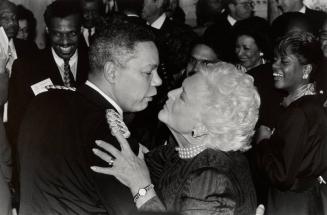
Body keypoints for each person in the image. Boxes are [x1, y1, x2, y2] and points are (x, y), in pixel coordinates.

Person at [17, 16, 162, 215]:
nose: (158, 81)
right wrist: (143, 185)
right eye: (148, 72)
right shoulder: (115, 142)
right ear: (111, 72)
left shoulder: (44, 101)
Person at [91, 62, 260, 214]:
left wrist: (141, 187)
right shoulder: (183, 153)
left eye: (183, 96)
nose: (171, 93)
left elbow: (140, 178)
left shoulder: (211, 178)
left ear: (200, 128)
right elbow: (144, 163)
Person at [256, 31, 327, 215]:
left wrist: (263, 142)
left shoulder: (298, 113)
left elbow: (282, 176)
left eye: (284, 61)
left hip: (289, 205)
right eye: (275, 59)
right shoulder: (313, 105)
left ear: (307, 70)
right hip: (308, 200)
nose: (275, 66)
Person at [7, 0, 89, 148]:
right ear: (47, 30)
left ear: (81, 29)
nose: (65, 42)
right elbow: (17, 128)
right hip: (46, 161)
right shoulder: (25, 69)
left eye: (72, 33)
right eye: (57, 34)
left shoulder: (96, 64)